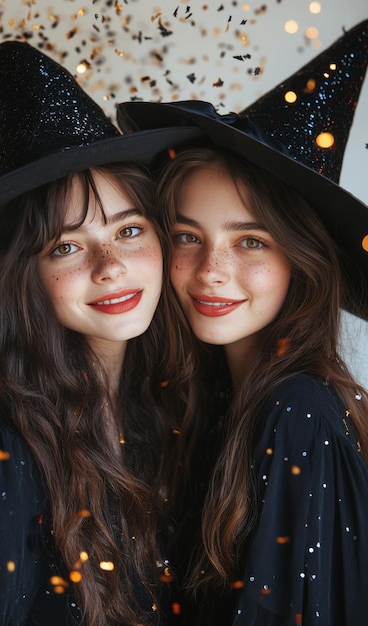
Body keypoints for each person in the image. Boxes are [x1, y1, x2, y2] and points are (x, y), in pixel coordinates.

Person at [117, 20, 368, 625]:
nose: (212, 272)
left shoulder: (299, 412)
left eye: (251, 241)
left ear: (299, 261)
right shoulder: (198, 404)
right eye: (186, 237)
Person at [0, 42, 202, 626]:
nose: (110, 266)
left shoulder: (160, 415)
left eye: (130, 231)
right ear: (21, 276)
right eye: (66, 246)